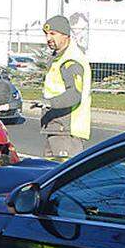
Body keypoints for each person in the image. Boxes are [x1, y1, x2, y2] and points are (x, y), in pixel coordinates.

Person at [34, 15, 91, 159]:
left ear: (65, 35)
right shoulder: (59, 58)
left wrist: (49, 103)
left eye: (53, 34)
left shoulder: (70, 61)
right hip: (57, 128)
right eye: (46, 34)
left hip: (67, 130)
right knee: (50, 175)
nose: (48, 39)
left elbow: (75, 94)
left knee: (62, 177)